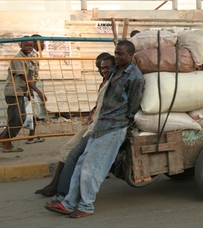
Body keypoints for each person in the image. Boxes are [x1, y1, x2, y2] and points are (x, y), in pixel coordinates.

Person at [44, 40, 144, 218]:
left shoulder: (134, 76)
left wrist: (123, 123)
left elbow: (133, 106)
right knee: (81, 164)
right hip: (99, 126)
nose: (117, 57)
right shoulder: (115, 71)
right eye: (116, 53)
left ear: (131, 55)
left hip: (114, 127)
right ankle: (67, 203)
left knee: (93, 169)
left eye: (121, 54)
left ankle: (86, 206)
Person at [35, 53, 115, 197]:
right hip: (93, 124)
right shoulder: (104, 82)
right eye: (99, 68)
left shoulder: (114, 83)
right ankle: (57, 186)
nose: (102, 71)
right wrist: (91, 115)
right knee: (67, 150)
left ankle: (63, 191)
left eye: (105, 68)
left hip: (101, 126)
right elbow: (98, 105)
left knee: (73, 154)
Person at [0, 37, 46, 153]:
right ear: (20, 45)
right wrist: (38, 91)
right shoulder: (18, 59)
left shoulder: (27, 58)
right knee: (17, 118)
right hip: (13, 92)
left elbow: (29, 77)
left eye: (31, 46)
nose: (29, 48)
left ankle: (3, 139)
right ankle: (6, 144)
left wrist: (29, 91)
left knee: (19, 117)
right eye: (26, 46)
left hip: (19, 91)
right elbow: (25, 77)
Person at [26, 34, 46, 144]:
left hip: (32, 86)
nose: (44, 45)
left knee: (32, 111)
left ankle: (31, 136)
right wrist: (33, 90)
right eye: (42, 43)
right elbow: (29, 75)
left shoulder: (35, 54)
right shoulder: (32, 55)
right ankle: (30, 137)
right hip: (30, 87)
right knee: (33, 111)